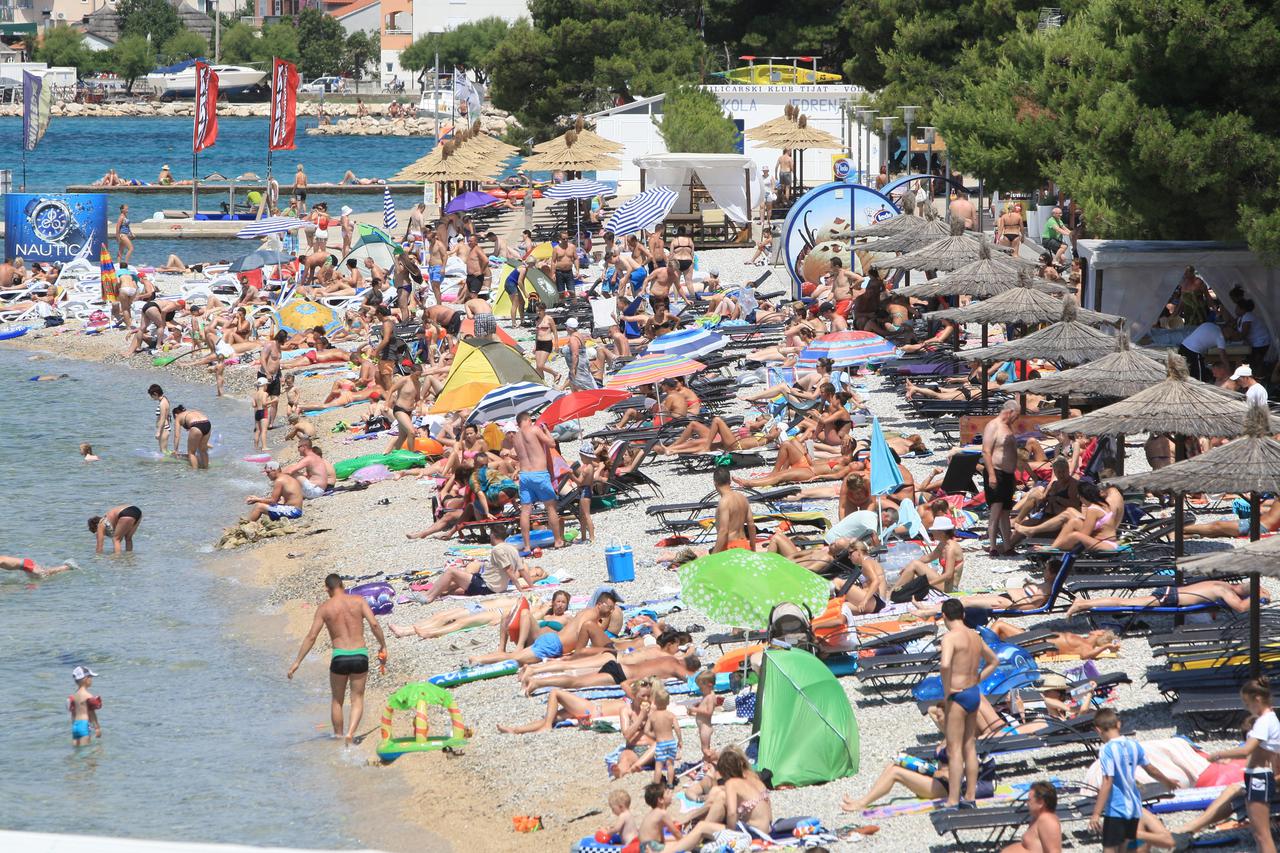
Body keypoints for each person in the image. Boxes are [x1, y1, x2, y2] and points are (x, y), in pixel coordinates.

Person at [287, 573, 388, 745]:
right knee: (357, 698)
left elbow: (311, 636)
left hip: (339, 657)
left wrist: (297, 662)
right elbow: (374, 624)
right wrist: (383, 645)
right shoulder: (358, 601)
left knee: (337, 700)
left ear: (328, 589)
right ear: (343, 585)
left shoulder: (325, 608)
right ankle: (350, 733)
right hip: (359, 655)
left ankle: (339, 738)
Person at [1197, 678, 1280, 853]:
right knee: (1260, 834)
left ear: (1257, 699)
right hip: (1258, 776)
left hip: (1259, 777)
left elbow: (1246, 750)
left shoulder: (1264, 721)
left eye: (1247, 703)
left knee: (1262, 835)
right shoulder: (1270, 719)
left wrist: (1218, 754)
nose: (1246, 707)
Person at [1089, 709, 1180, 853]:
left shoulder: (1106, 750)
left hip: (1116, 808)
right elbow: (1151, 769)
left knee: (1110, 849)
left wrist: (1096, 814)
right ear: (1118, 724)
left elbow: (1107, 781)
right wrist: (1167, 781)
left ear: (1098, 730)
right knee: (1126, 847)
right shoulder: (1134, 745)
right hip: (1134, 807)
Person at [939, 598, 999, 809]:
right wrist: (977, 678)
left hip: (958, 694)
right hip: (973, 691)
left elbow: (945, 664)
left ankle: (954, 800)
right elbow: (994, 661)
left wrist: (947, 690)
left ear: (944, 616)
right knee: (969, 746)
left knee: (954, 749)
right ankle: (971, 796)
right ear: (963, 615)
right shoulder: (974, 635)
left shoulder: (950, 637)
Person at [423, 526, 535, 602]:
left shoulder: (497, 550)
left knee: (451, 572)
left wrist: (520, 590)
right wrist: (532, 586)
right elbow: (522, 570)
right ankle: (434, 593)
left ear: (492, 535)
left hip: (488, 586)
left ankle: (429, 597)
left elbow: (509, 570)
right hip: (490, 583)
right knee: (458, 580)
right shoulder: (513, 548)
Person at [514, 410, 565, 551]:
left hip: (524, 475)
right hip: (539, 474)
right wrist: (546, 430)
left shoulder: (516, 437)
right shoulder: (535, 429)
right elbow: (551, 443)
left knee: (525, 511)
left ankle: (526, 546)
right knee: (550, 507)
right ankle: (558, 541)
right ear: (528, 420)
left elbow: (519, 456)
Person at [983, 400, 1019, 555]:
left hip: (1008, 474)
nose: (1018, 418)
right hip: (996, 472)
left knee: (1005, 510)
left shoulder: (1008, 427)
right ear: (1010, 411)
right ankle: (992, 546)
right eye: (1017, 414)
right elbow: (986, 451)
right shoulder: (993, 425)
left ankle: (1008, 545)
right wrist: (991, 474)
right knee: (996, 510)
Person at [1001, 781, 1062, 853]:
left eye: (1029, 800)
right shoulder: (1038, 818)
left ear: (1041, 802)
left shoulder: (1048, 821)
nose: (1027, 803)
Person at [711, 466, 754, 552]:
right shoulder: (743, 498)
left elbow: (724, 531)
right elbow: (751, 525)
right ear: (730, 481)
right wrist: (753, 549)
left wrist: (714, 555)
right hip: (744, 544)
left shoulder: (724, 502)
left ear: (715, 483)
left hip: (730, 546)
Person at [648, 684, 682, 788]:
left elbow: (646, 730)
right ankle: (670, 784)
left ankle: (656, 785)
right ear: (668, 702)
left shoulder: (653, 716)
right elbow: (677, 728)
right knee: (670, 764)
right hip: (671, 741)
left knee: (659, 765)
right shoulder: (670, 715)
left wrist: (654, 735)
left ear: (655, 702)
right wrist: (680, 740)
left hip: (660, 742)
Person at [68, 665, 102, 747]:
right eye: (91, 677)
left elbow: (72, 712)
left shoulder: (74, 696)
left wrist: (74, 726)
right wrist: (97, 727)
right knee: (85, 751)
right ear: (86, 679)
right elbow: (91, 713)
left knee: (77, 749)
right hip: (84, 725)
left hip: (75, 726)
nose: (92, 680)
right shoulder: (88, 696)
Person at [171, 404, 212, 470]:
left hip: (196, 426)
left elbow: (177, 435)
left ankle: (194, 473)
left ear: (175, 414)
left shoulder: (178, 417)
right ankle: (206, 470)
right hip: (207, 423)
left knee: (191, 453)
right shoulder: (191, 412)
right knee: (203, 450)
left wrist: (175, 450)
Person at [1, 555, 77, 578]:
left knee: (44, 574)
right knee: (42, 575)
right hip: (25, 565)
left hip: (27, 564)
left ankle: (67, 567)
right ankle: (67, 567)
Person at [148, 384, 171, 456]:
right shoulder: (165, 399)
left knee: (163, 451)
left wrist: (158, 432)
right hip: (164, 428)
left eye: (152, 396)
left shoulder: (162, 403)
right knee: (163, 451)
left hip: (163, 429)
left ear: (155, 394)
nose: (152, 398)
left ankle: (164, 466)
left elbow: (163, 418)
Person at [251, 377, 273, 452]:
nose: (267, 387)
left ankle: (256, 446)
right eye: (267, 385)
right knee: (264, 430)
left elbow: (254, 405)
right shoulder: (265, 394)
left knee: (257, 430)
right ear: (264, 385)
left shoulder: (255, 394)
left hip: (257, 412)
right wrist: (273, 401)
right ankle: (264, 446)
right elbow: (264, 403)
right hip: (263, 412)